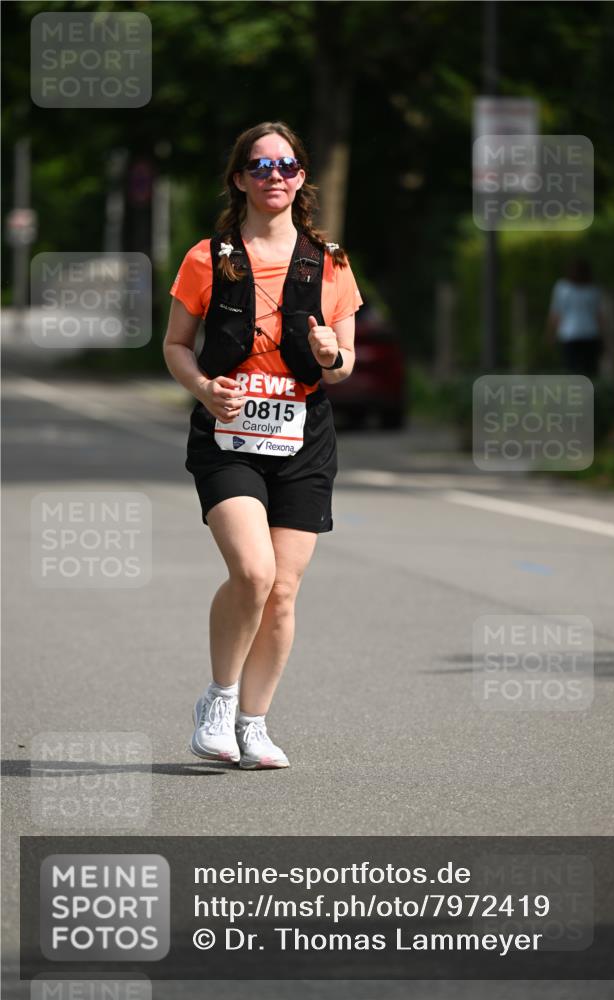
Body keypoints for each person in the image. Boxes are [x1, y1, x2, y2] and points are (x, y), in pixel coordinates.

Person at [163, 122, 362, 770]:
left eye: (286, 165)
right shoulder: (207, 258)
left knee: (282, 591)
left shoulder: (330, 261)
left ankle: (254, 723)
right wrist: (202, 388)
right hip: (228, 436)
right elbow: (175, 345)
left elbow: (344, 364)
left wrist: (331, 356)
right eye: (260, 165)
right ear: (240, 178)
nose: (274, 175)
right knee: (254, 572)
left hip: (303, 436)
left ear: (301, 178)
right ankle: (218, 702)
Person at [546, 258, 605, 378]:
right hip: (589, 334)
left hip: (570, 335)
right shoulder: (593, 289)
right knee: (589, 371)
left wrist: (550, 334)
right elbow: (599, 316)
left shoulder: (562, 288)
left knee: (572, 371)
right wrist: (603, 336)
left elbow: (556, 313)